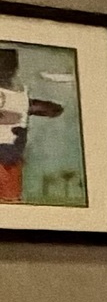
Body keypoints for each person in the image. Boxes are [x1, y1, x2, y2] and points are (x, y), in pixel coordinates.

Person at [0, 46, 68, 205]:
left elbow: (53, 110)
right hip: (9, 160)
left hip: (10, 161)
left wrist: (25, 107)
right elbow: (52, 110)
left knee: (10, 203)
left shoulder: (18, 98)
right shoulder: (17, 99)